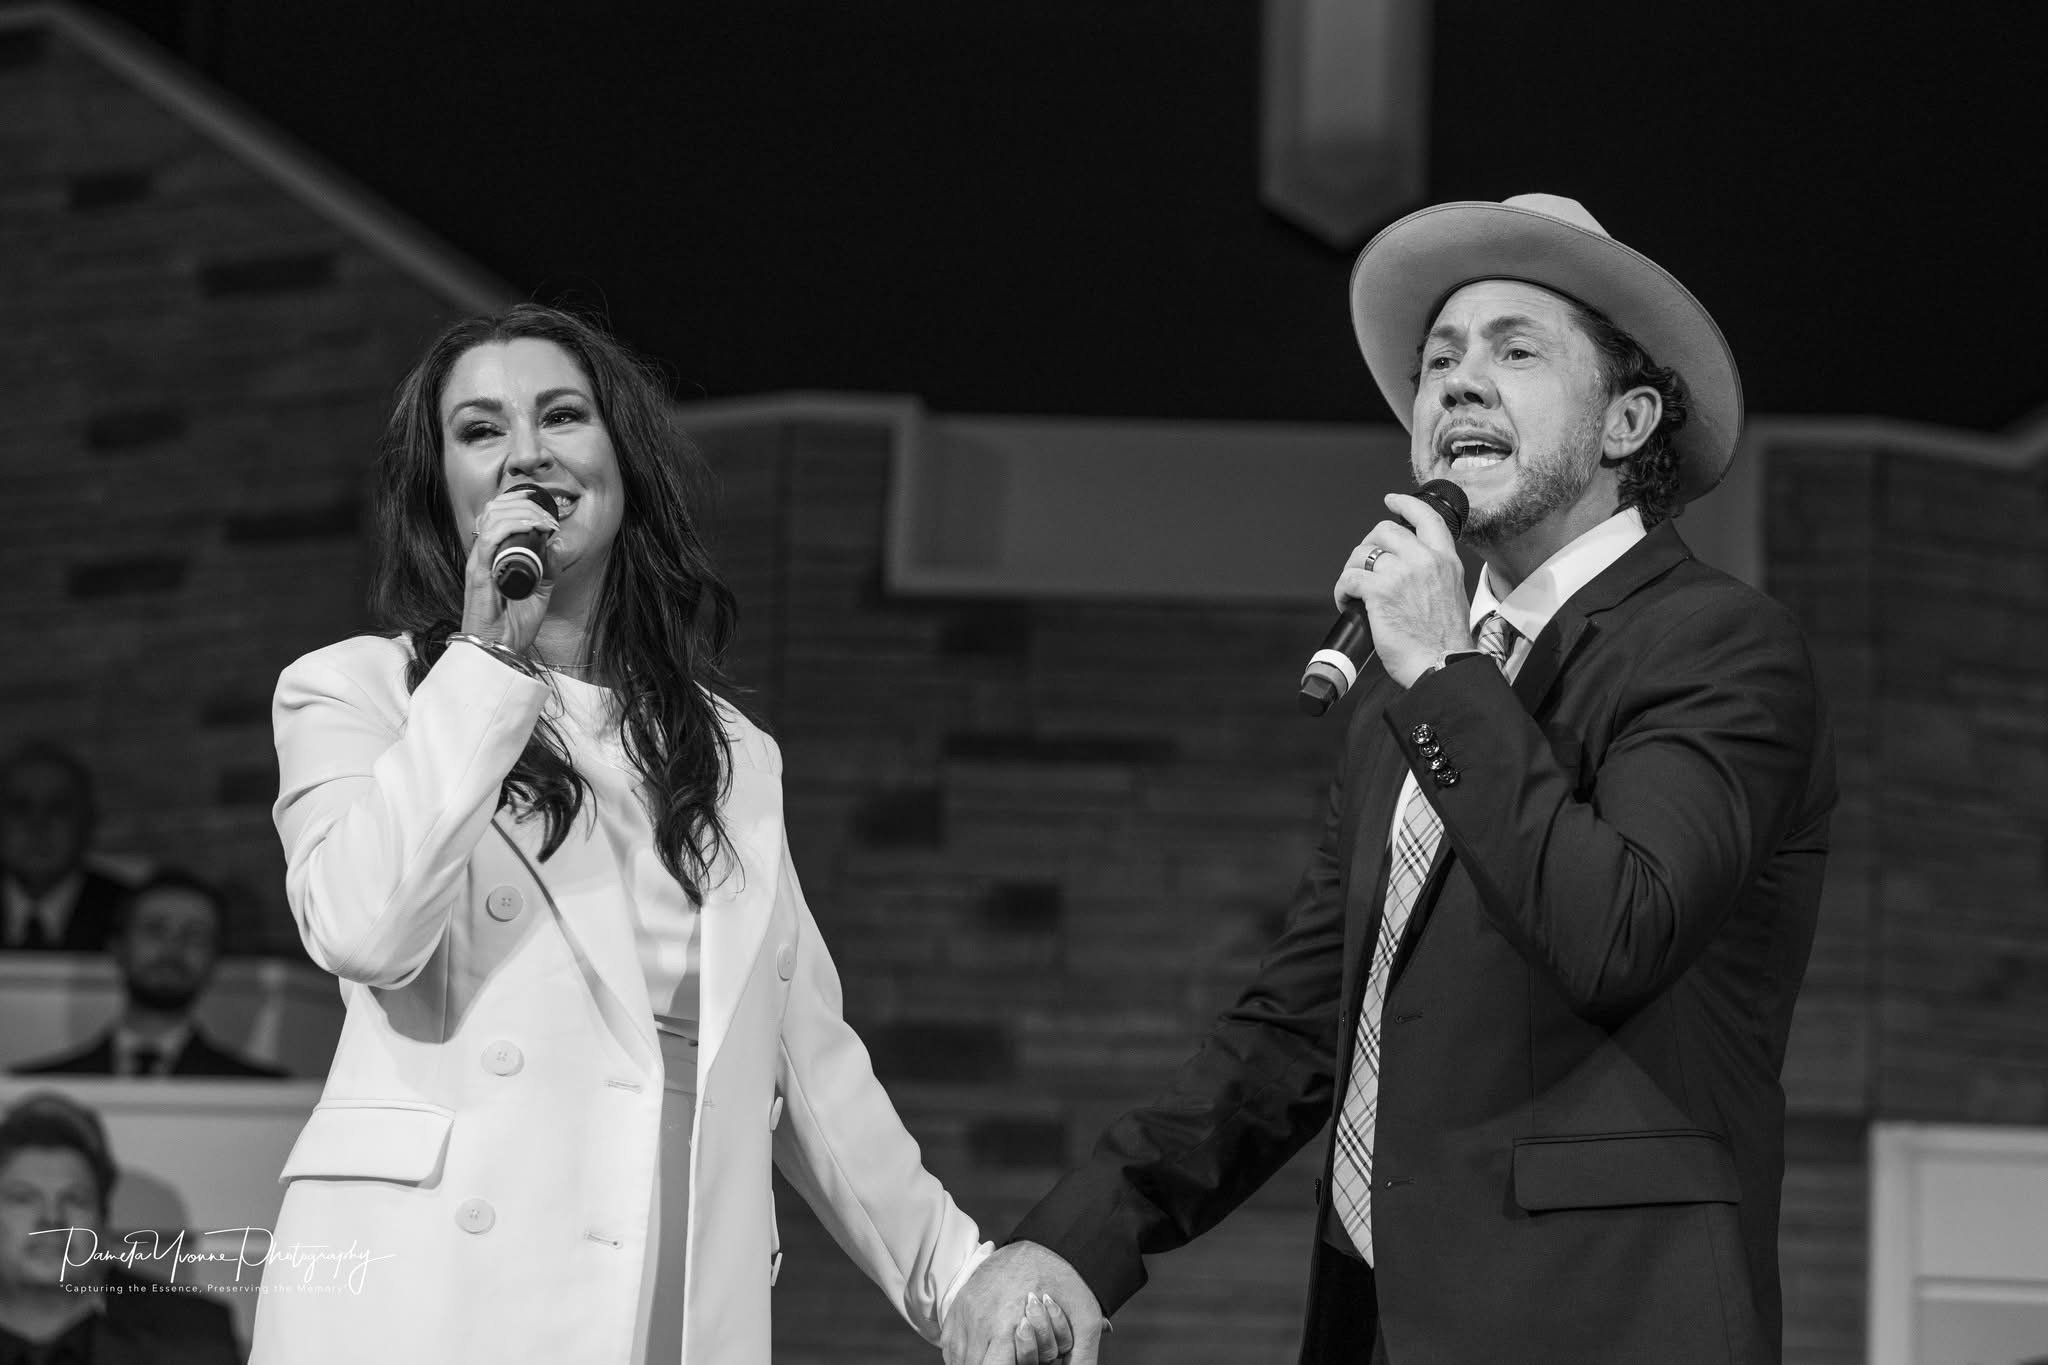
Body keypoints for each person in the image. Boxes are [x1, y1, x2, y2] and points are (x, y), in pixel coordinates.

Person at [942, 194, 1838, 1365]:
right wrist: (1081, 1239)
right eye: (1438, 362)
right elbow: (1299, 1025)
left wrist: (1443, 671)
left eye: (1515, 351)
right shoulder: (1402, 696)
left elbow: (1617, 929)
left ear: (1626, 421)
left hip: (1604, 1321)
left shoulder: (1716, 645)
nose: (1458, 385)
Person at [249, 304, 1064, 1365]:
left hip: (664, 1276)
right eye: (481, 430)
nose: (527, 452)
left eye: (562, 415)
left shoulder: (728, 753)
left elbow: (806, 1057)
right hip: (431, 1287)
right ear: (440, 488)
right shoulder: (362, 692)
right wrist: (487, 661)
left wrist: (956, 1278)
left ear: (621, 461)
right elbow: (364, 929)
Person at [0, 1092, 241, 1365]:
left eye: (75, 1199)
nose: (52, 1218)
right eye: (23, 1198)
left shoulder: (196, 1338)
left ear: (103, 1220)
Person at [13, 870, 287, 1079]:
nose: (173, 948)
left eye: (195, 935)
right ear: (118, 946)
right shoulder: (43, 1086)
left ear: (215, 958)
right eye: (155, 929)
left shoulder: (261, 1090)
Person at [0, 743, 130, 953]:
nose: (38, 826)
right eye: (19, 807)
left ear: (88, 821)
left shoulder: (128, 913)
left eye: (58, 808)